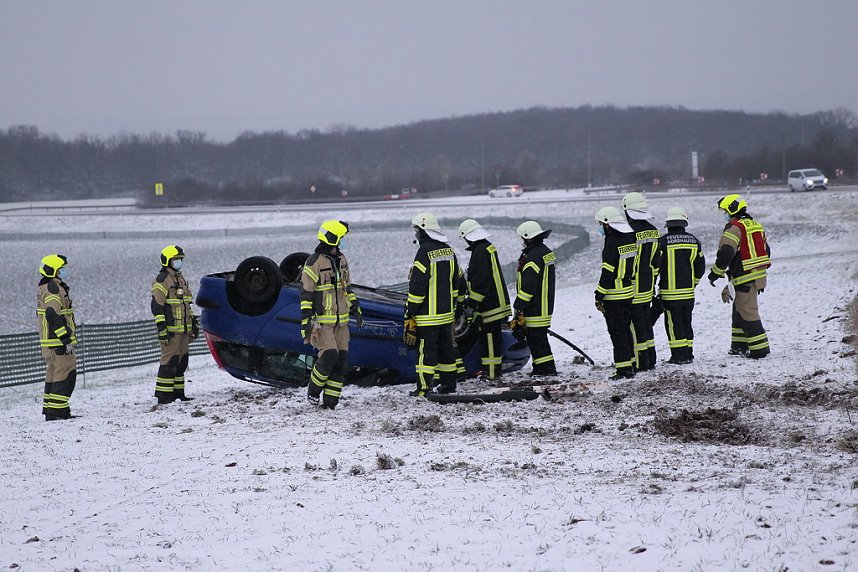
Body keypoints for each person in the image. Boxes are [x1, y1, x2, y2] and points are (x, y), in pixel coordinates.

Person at [300, 220, 361, 410]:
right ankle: (313, 391)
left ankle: (331, 401)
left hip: (341, 322)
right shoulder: (313, 262)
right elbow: (306, 295)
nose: (343, 241)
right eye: (341, 238)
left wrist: (355, 307)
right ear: (332, 238)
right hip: (322, 322)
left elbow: (346, 288)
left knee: (341, 361)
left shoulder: (342, 260)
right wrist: (306, 322)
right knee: (329, 356)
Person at [708, 194, 771, 358]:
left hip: (745, 277)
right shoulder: (755, 225)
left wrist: (716, 272)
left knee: (747, 312)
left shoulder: (735, 227)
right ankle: (738, 346)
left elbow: (726, 252)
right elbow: (766, 250)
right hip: (755, 275)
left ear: (731, 210)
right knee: (739, 311)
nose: (724, 215)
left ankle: (759, 349)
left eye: (725, 211)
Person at [405, 212, 461, 396]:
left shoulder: (423, 253)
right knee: (447, 353)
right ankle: (448, 386)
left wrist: (409, 311)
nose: (415, 234)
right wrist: (453, 305)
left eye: (416, 230)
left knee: (425, 354)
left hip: (427, 317)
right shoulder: (448, 250)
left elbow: (417, 287)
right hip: (446, 315)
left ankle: (423, 389)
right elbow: (457, 281)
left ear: (423, 231)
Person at [458, 219, 512, 381]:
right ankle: (492, 371)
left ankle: (492, 374)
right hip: (497, 303)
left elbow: (481, 281)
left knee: (490, 340)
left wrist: (472, 303)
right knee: (493, 339)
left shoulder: (480, 252)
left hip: (491, 306)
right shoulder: (487, 247)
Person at [657, 207, 705, 364]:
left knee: (673, 324)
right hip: (688, 293)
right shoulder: (694, 241)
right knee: (686, 323)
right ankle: (688, 354)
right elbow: (700, 267)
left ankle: (678, 356)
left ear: (668, 224)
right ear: (684, 223)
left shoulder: (663, 242)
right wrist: (694, 283)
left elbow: (656, 266)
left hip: (670, 294)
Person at [151, 245, 199, 404]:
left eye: (180, 259)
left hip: (183, 330)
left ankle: (179, 394)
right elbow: (157, 307)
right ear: (167, 261)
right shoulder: (162, 280)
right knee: (169, 363)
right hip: (171, 331)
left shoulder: (180, 279)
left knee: (181, 362)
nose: (179, 262)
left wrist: (193, 323)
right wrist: (162, 329)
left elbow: (187, 304)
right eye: (176, 259)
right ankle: (164, 396)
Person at [594, 207, 637, 380]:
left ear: (608, 224)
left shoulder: (611, 243)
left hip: (613, 295)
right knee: (626, 330)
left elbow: (608, 273)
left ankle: (623, 369)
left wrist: (599, 295)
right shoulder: (629, 239)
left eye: (601, 224)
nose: (600, 227)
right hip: (628, 292)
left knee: (617, 333)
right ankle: (631, 363)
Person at [510, 220, 557, 377]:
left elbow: (528, 287)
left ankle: (547, 369)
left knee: (537, 340)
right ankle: (541, 368)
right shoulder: (544, 252)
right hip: (544, 304)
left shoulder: (533, 257)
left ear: (528, 238)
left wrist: (518, 306)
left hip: (536, 307)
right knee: (539, 339)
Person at [622, 191, 662, 371]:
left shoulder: (629, 233)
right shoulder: (653, 230)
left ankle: (640, 362)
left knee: (635, 327)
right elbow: (656, 260)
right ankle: (650, 359)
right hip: (648, 285)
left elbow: (628, 262)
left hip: (632, 287)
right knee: (646, 325)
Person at [36, 254, 77, 420]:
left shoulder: (45, 287)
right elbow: (53, 315)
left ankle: (51, 410)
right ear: (53, 270)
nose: (64, 271)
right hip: (58, 341)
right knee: (66, 373)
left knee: (53, 373)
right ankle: (57, 412)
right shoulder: (53, 288)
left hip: (49, 341)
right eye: (62, 269)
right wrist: (65, 339)